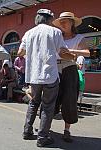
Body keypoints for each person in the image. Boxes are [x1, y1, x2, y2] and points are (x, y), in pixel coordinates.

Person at [18, 9, 77, 147]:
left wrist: (33, 54)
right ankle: (42, 137)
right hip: (49, 75)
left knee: (33, 103)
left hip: (33, 76)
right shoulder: (54, 32)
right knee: (48, 107)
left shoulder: (29, 33)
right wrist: (73, 57)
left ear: (38, 19)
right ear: (50, 19)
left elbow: (20, 52)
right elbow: (62, 53)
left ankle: (27, 131)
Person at [52, 12, 90, 143]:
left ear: (72, 23)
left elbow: (87, 52)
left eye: (65, 21)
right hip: (55, 68)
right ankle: (46, 127)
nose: (62, 23)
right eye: (61, 22)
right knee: (51, 98)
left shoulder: (79, 37)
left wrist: (71, 51)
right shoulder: (57, 37)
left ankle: (67, 130)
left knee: (69, 99)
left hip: (70, 67)